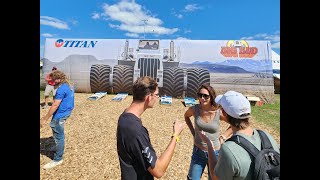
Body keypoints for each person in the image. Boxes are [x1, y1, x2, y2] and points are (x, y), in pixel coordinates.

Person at [198, 90, 280, 180]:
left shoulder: (229, 149)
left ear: (224, 113)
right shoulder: (266, 136)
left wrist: (209, 146)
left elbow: (215, 177)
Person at [116, 76, 186, 180]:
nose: (158, 98)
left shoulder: (124, 116)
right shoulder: (136, 130)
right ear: (149, 97)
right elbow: (158, 171)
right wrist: (175, 135)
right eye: (157, 95)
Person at [184, 84, 233, 180]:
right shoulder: (195, 109)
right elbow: (186, 116)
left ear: (211, 97)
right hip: (198, 152)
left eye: (206, 96)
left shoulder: (218, 112)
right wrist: (193, 132)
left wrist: (223, 136)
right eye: (200, 95)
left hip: (215, 153)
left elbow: (234, 124)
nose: (202, 98)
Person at [40, 70, 75, 169]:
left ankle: (58, 158)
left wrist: (44, 118)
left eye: (53, 81)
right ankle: (58, 147)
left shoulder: (61, 90)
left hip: (60, 114)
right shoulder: (70, 85)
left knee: (58, 134)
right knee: (59, 133)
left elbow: (55, 105)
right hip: (67, 112)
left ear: (58, 79)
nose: (52, 82)